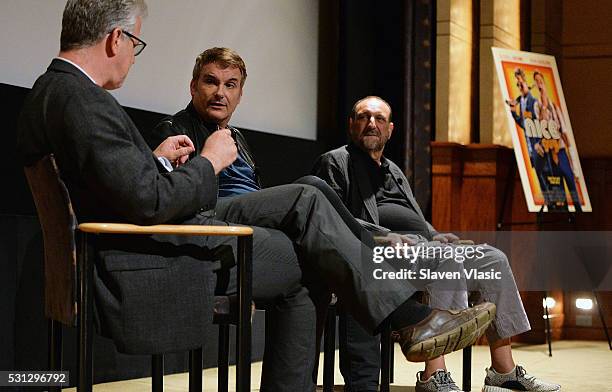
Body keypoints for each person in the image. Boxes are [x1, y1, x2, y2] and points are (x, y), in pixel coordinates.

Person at [17, 4, 493, 391]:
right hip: (160, 252)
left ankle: (403, 317)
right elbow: (150, 203)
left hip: (164, 238)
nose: (133, 56)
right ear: (114, 39)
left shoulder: (54, 92)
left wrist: (158, 160)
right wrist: (208, 161)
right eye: (136, 44)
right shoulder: (84, 100)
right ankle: (405, 318)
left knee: (310, 206)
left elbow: (128, 187)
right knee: (311, 239)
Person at [312, 96, 562, 392]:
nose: (371, 124)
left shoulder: (392, 170)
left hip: (422, 247)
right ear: (351, 124)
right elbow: (331, 218)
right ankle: (434, 374)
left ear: (390, 130)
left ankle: (502, 371)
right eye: (364, 117)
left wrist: (434, 234)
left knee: (491, 259)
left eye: (379, 119)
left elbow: (412, 216)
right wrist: (383, 236)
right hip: (378, 253)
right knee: (444, 259)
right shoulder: (337, 161)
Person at [532, 70, 582, 212]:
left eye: (540, 80)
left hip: (560, 152)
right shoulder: (537, 106)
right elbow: (539, 126)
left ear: (544, 82)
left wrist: (573, 158)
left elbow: (565, 132)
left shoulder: (554, 106)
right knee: (558, 193)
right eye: (536, 81)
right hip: (548, 155)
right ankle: (561, 218)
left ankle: (579, 214)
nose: (539, 82)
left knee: (571, 184)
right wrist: (543, 105)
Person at [506, 68, 554, 207]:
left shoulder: (534, 102)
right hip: (531, 148)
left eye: (521, 83)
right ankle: (549, 202)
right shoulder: (522, 102)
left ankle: (553, 201)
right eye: (518, 85)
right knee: (540, 174)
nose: (519, 87)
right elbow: (524, 124)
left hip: (540, 145)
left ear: (527, 83)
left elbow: (542, 124)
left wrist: (540, 143)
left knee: (545, 173)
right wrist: (513, 112)